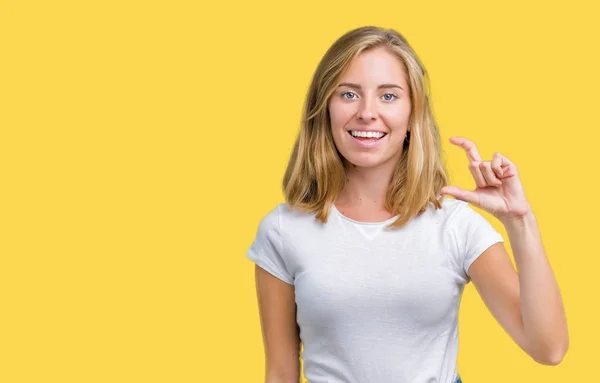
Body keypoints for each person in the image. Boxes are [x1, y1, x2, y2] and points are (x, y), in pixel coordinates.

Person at [245, 26, 568, 383]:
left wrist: (519, 221)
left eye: (388, 96)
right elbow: (280, 372)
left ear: (413, 112)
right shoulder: (283, 229)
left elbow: (548, 349)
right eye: (349, 94)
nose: (367, 113)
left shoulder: (454, 225)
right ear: (324, 108)